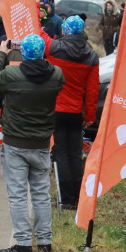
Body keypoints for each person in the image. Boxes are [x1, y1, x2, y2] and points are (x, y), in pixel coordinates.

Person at [0, 34, 64, 252]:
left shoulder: (12, 74)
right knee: (40, 193)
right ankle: (45, 242)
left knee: (18, 194)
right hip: (41, 142)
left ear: (24, 53)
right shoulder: (56, 74)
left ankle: (22, 244)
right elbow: (56, 78)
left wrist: (2, 52)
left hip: (15, 142)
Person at [45, 16, 99, 210]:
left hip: (56, 108)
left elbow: (38, 34)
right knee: (75, 155)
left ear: (65, 30)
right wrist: (90, 116)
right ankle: (78, 197)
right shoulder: (91, 55)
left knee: (60, 154)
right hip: (76, 112)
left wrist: (36, 7)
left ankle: (66, 199)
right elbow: (92, 90)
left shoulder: (54, 48)